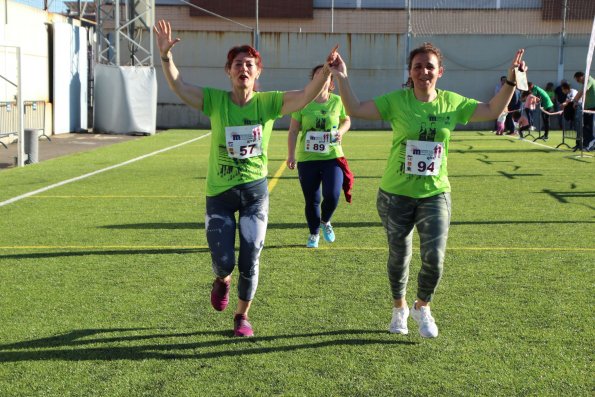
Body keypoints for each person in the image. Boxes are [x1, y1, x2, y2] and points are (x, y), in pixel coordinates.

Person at [153, 20, 338, 337]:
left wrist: (327, 71)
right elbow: (180, 87)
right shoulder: (216, 101)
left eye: (250, 65)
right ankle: (222, 279)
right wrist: (166, 57)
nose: (244, 69)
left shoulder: (269, 103)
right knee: (225, 261)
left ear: (258, 73)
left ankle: (242, 317)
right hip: (220, 196)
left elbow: (308, 94)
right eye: (238, 64)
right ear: (228, 71)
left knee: (251, 255)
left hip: (254, 195)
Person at [329, 43, 526, 338]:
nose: (424, 71)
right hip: (395, 194)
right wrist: (342, 77)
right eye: (418, 66)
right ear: (410, 72)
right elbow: (355, 109)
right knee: (400, 256)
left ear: (440, 72)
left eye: (430, 66)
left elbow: (492, 109)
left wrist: (511, 80)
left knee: (434, 257)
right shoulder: (397, 101)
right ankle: (399, 309)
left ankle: (422, 305)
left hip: (435, 193)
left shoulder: (451, 103)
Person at [287, 65, 352, 248]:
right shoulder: (303, 102)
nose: (322, 78)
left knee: (332, 195)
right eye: (318, 75)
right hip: (308, 160)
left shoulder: (338, 101)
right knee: (312, 199)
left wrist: (341, 131)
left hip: (332, 156)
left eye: (326, 76)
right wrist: (291, 155)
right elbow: (293, 131)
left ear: (331, 83)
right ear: (313, 81)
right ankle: (314, 233)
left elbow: (347, 120)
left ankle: (325, 221)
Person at [572, 71, 595, 151]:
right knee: (586, 127)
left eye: (578, 80)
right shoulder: (585, 82)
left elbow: (583, 91)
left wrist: (575, 101)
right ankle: (586, 145)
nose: (578, 82)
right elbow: (580, 92)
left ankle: (589, 146)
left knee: (590, 127)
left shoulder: (589, 80)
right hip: (588, 108)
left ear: (581, 76)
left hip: (593, 108)